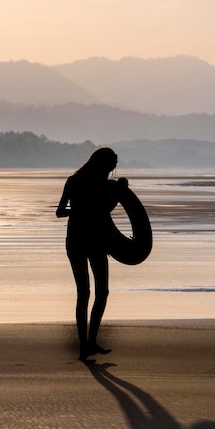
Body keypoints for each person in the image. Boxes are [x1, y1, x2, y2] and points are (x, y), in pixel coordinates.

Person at [56, 148, 128, 361]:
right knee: (97, 292)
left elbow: (61, 212)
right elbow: (104, 210)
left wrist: (78, 211)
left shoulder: (73, 180)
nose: (111, 170)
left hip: (76, 241)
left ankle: (87, 345)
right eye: (110, 166)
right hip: (93, 241)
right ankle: (87, 344)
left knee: (86, 293)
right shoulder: (98, 184)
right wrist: (118, 193)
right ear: (102, 165)